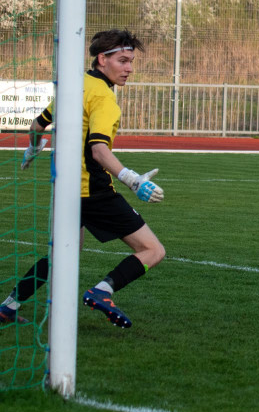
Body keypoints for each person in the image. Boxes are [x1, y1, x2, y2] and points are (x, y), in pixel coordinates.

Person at [1, 30, 166, 329]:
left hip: (64, 188)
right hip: (94, 193)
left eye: (131, 61)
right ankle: (102, 291)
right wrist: (134, 181)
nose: (129, 68)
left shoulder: (75, 84)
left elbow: (38, 124)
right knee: (153, 250)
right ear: (102, 59)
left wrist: (33, 148)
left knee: (62, 256)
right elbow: (99, 150)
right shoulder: (104, 97)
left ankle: (8, 307)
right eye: (123, 60)